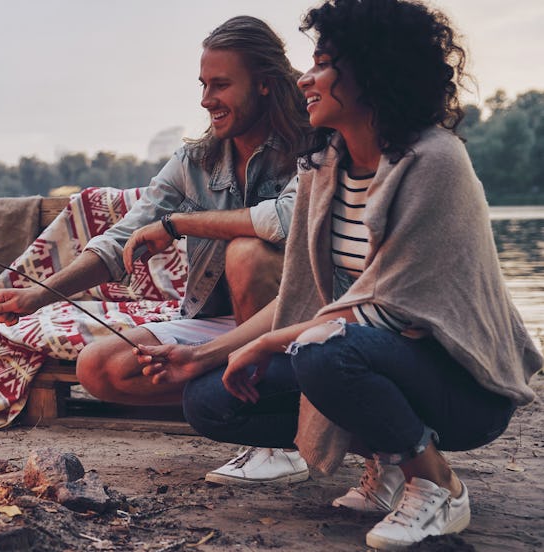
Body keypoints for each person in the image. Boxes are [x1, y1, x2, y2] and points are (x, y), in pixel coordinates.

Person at [134, 0, 543, 549]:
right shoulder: (323, 167)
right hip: (357, 347)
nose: (304, 78)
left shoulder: (434, 162)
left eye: (322, 63)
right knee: (209, 399)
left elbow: (392, 310)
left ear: (371, 71)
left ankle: (437, 482)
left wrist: (266, 345)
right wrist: (205, 356)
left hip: (463, 385)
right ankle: (390, 458)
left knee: (327, 351)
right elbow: (304, 300)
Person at [0, 16, 312, 484]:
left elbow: (282, 221)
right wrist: (37, 297)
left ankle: (276, 443)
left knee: (247, 252)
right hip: (222, 326)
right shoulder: (193, 162)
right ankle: (255, 408)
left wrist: (177, 224)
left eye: (221, 85)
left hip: (294, 320)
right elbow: (121, 240)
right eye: (203, 85)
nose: (206, 100)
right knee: (99, 368)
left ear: (263, 84)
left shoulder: (312, 147)